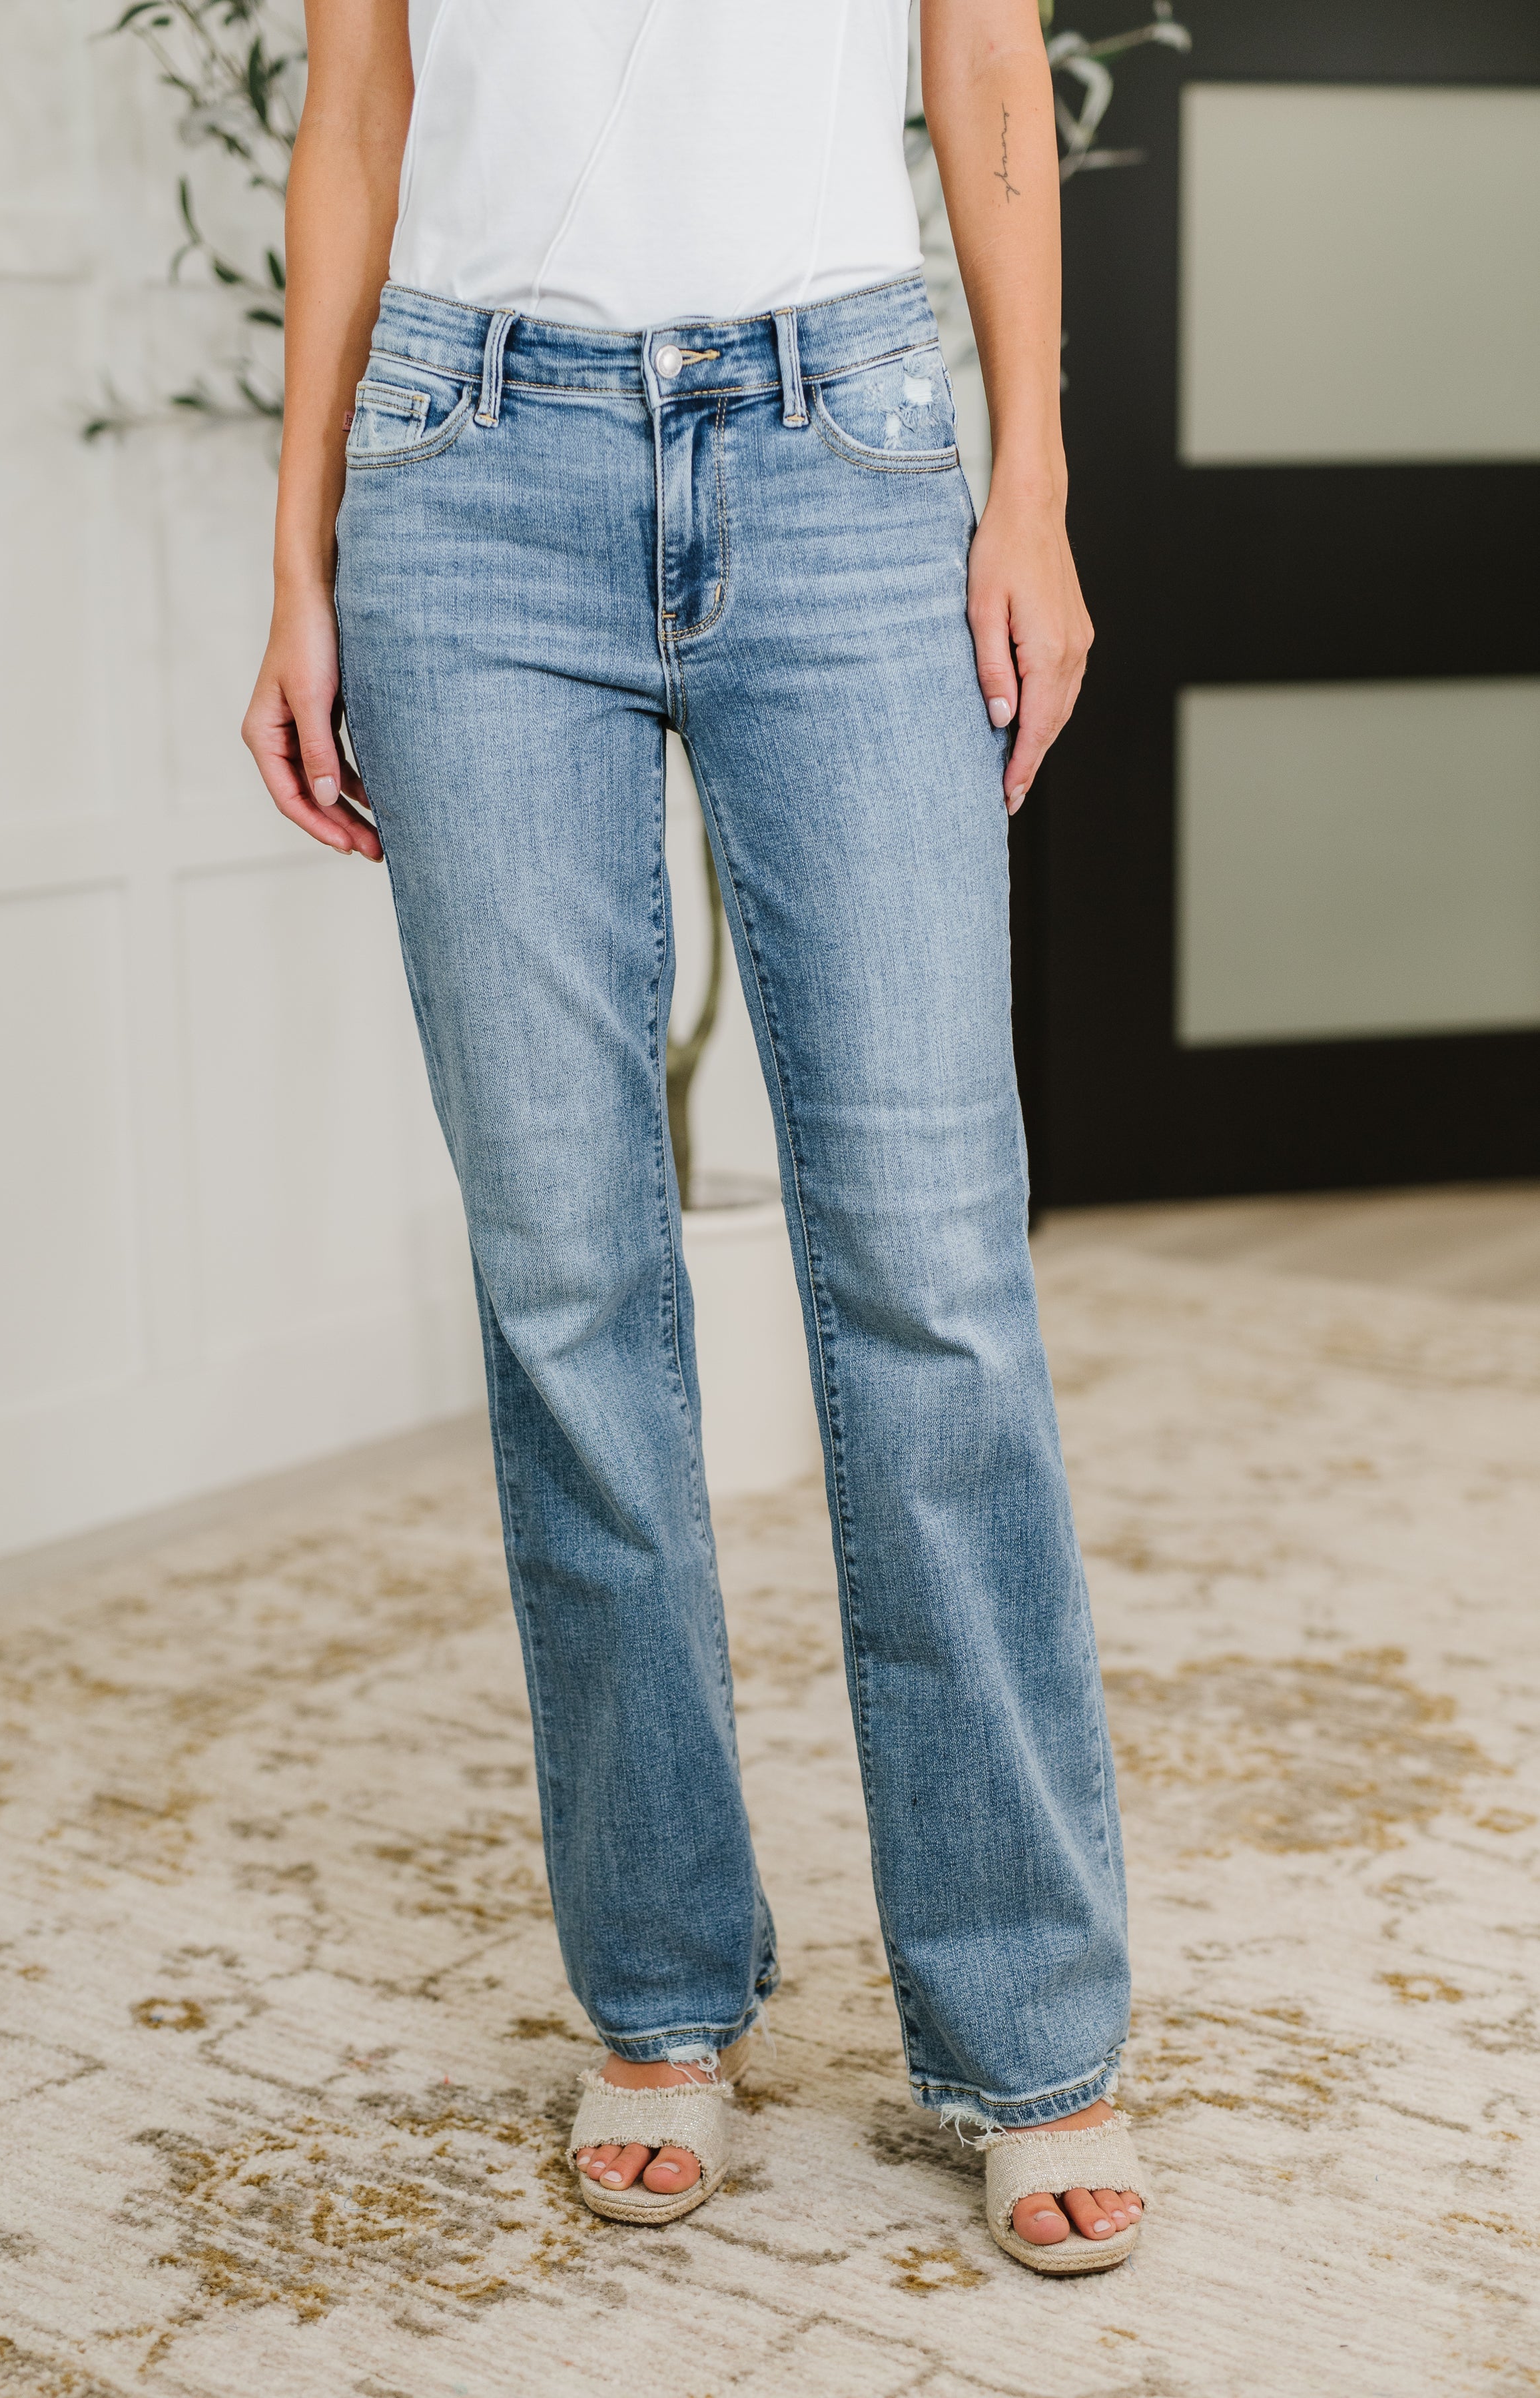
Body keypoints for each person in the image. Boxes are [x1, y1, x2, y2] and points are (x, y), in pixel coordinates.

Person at [242, 0, 1146, 2273]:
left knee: (931, 1270)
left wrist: (1022, 482)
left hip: (841, 444)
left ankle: (1029, 2032)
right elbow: (357, 113)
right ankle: (657, 2002)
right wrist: (300, 561)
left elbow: (984, 74)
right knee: (566, 1277)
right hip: (466, 468)